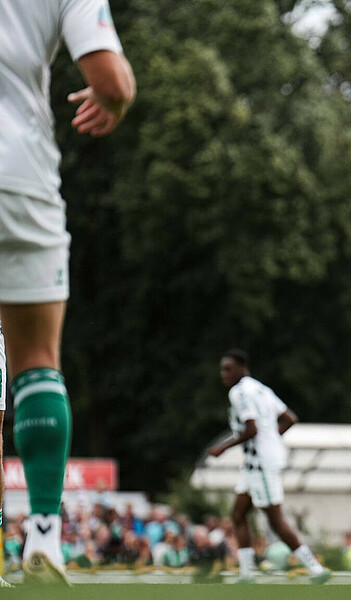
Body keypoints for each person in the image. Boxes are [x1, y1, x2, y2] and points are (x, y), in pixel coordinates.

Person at [1, 0, 136, 586]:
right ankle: (45, 537)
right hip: (20, 175)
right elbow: (110, 79)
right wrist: (116, 100)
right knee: (35, 362)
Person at [207, 349, 331, 584]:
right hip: (256, 463)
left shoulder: (239, 392)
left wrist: (223, 447)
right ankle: (246, 574)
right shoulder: (261, 388)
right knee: (238, 513)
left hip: (261, 463)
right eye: (222, 369)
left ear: (242, 368)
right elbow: (289, 418)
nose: (223, 374)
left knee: (275, 519)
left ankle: (314, 568)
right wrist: (272, 440)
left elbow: (251, 429)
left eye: (228, 368)